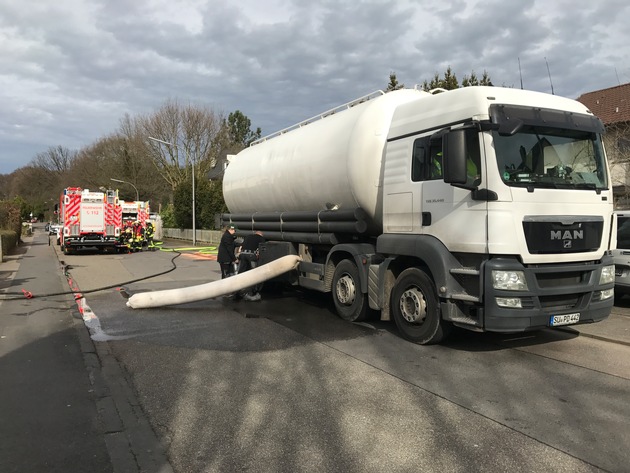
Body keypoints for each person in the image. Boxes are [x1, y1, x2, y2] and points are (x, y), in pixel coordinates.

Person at [237, 231, 265, 301]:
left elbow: (241, 245)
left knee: (241, 273)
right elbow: (262, 248)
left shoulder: (248, 236)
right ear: (261, 235)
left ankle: (237, 291)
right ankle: (253, 292)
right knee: (254, 273)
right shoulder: (261, 238)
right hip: (251, 256)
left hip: (243, 254)